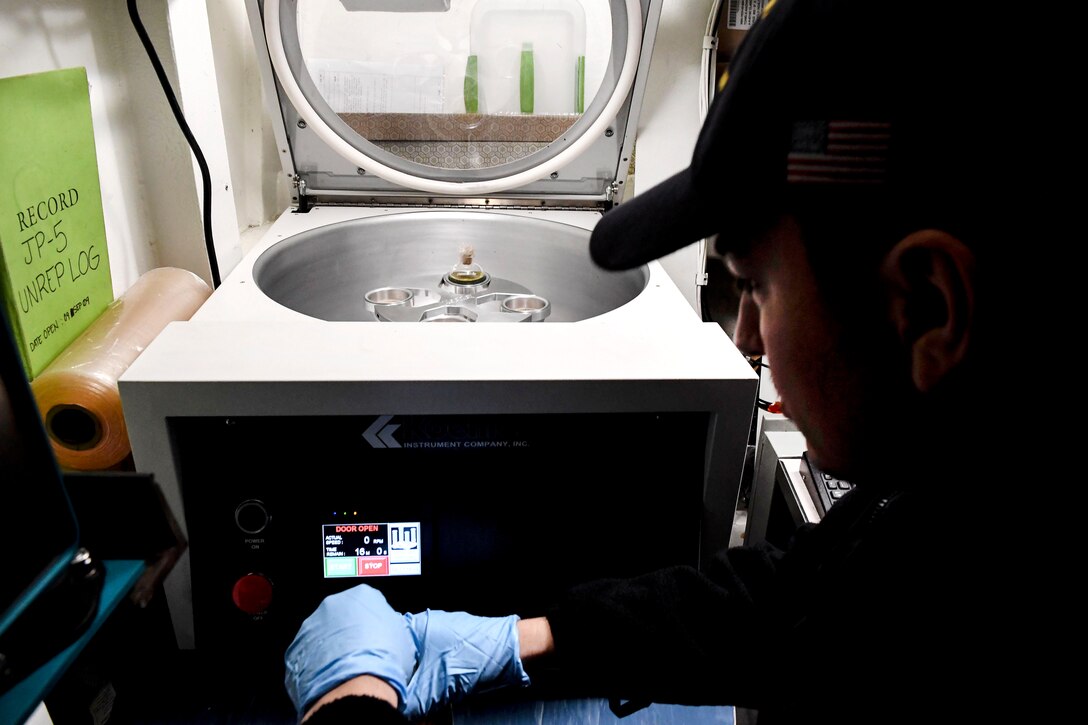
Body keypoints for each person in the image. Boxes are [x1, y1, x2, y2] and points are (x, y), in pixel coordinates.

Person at [284, 0, 1050, 722]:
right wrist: (527, 637)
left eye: (755, 286)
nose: (746, 338)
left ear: (928, 307)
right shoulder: (934, 498)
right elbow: (800, 594)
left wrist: (352, 703)